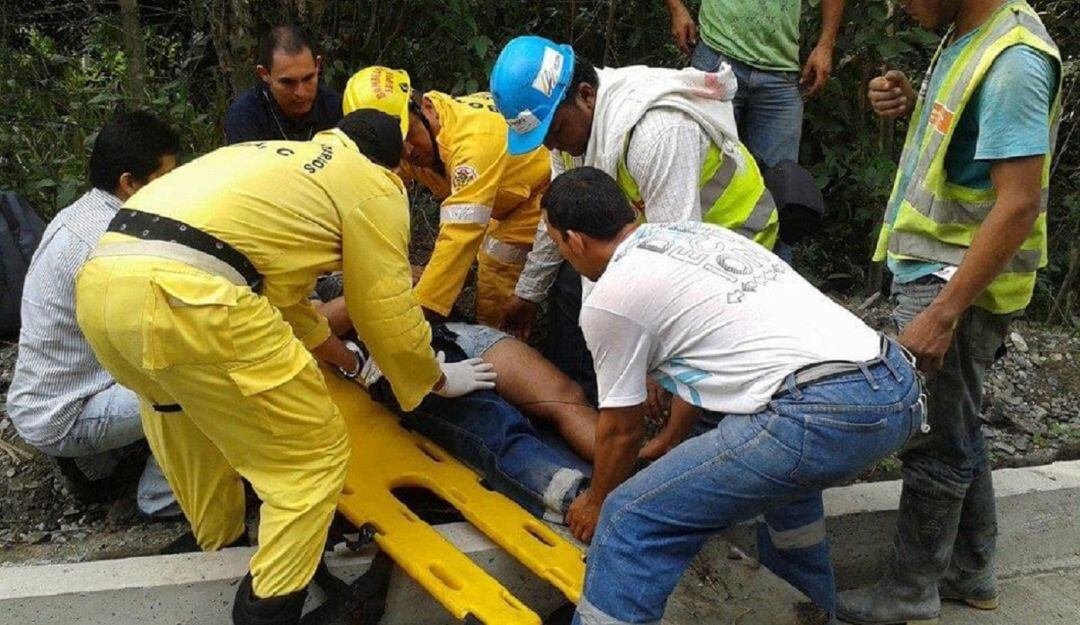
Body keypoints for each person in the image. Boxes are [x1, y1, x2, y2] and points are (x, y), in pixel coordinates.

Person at [75, 109, 494, 625]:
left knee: (181, 414)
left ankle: (220, 547)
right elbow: (383, 307)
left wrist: (352, 363)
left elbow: (287, 302)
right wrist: (432, 376)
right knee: (311, 460)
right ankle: (266, 615)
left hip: (102, 291)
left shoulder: (277, 161)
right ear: (395, 162)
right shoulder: (375, 184)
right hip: (190, 295)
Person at [541, 167, 925, 624]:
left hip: (817, 411)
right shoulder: (697, 237)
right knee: (790, 498)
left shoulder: (609, 299)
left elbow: (621, 431)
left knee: (630, 520)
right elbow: (707, 364)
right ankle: (810, 613)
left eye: (556, 242)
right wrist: (671, 440)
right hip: (895, 385)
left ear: (575, 241)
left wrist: (599, 499)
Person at [837, 1, 1060, 623]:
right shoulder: (968, 35)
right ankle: (971, 573)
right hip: (941, 269)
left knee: (934, 439)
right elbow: (971, 152)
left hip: (953, 278)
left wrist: (944, 309)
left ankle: (911, 590)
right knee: (956, 425)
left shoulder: (1013, 61)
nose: (899, 5)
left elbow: (1017, 205)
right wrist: (916, 105)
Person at [488, 36, 780, 399]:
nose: (551, 146)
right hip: (662, 229)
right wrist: (529, 294)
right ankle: (583, 396)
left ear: (586, 94)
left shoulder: (655, 132)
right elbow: (558, 217)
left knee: (714, 370)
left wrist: (657, 363)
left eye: (555, 131)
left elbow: (678, 260)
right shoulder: (572, 134)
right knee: (572, 284)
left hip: (734, 235)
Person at [7, 111, 180, 518]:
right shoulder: (111, 243)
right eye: (166, 177)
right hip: (66, 411)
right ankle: (163, 499)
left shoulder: (84, 213)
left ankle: (102, 470)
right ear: (129, 183)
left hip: (57, 393)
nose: (176, 186)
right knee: (202, 383)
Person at [315, 281, 596, 522]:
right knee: (490, 418)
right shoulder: (297, 267)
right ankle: (574, 497)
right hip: (402, 351)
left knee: (566, 397)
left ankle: (624, 475)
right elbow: (314, 326)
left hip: (456, 330)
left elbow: (432, 285)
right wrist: (384, 287)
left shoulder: (367, 239)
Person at [341, 66, 549, 327]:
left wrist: (418, 312)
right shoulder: (424, 135)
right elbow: (372, 185)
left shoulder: (473, 144)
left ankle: (500, 338)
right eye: (395, 143)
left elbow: (460, 232)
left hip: (543, 190)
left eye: (408, 135)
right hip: (506, 196)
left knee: (496, 257)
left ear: (425, 106)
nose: (407, 151)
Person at [665, 0, 846, 166]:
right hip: (717, 58)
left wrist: (825, 45)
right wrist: (676, 8)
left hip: (780, 73)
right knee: (700, 172)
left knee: (782, 185)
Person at [225, 25, 343, 144]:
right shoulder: (245, 116)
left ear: (317, 66)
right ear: (264, 74)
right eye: (288, 83)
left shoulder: (334, 106)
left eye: (308, 79)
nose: (300, 92)